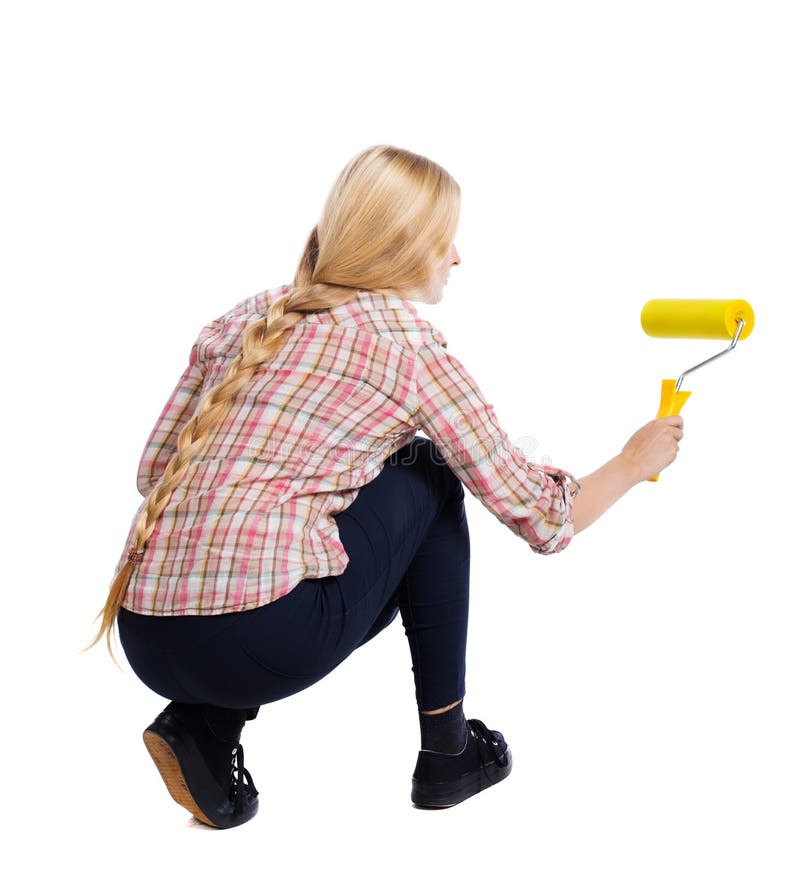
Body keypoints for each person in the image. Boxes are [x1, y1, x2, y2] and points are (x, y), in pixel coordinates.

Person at [86, 144, 684, 829]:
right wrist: (634, 460)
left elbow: (154, 470)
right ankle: (448, 751)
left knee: (388, 496)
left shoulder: (249, 315)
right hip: (259, 641)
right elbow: (544, 521)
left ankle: (204, 726)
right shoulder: (408, 349)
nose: (457, 257)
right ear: (403, 247)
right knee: (430, 471)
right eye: (444, 240)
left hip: (144, 636)